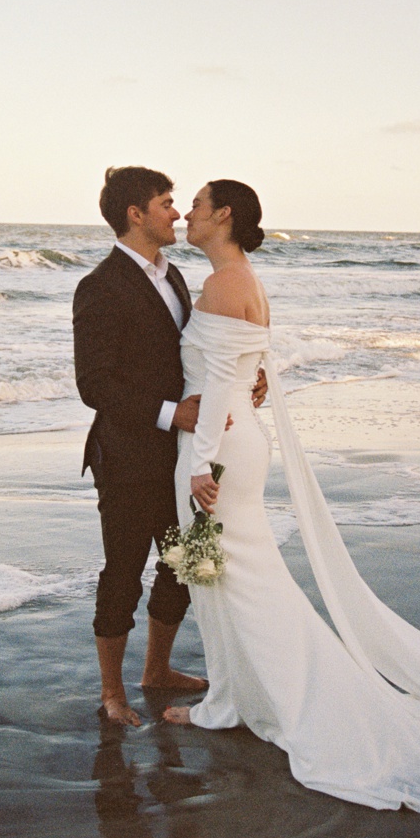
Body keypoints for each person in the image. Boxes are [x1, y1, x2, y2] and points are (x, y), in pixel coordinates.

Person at [159, 179, 420, 812]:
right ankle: (228, 698)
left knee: (239, 582)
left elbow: (221, 388)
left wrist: (199, 467)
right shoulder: (240, 277)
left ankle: (269, 703)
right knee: (215, 577)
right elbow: (247, 371)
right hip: (230, 446)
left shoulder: (225, 284)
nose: (187, 214)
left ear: (223, 215)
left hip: (215, 455)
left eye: (195, 204)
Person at [72, 166, 264, 727]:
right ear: (137, 214)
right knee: (123, 572)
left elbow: (205, 354)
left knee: (186, 564)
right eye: (166, 203)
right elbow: (95, 384)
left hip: (186, 454)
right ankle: (112, 692)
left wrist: (247, 376)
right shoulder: (99, 287)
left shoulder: (178, 277)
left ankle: (158, 669)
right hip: (129, 454)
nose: (177, 213)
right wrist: (168, 412)